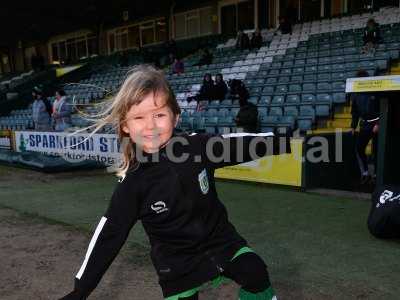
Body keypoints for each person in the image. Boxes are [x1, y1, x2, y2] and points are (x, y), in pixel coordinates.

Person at [59, 65, 290, 300]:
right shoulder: (133, 185)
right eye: (139, 117)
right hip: (176, 265)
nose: (150, 125)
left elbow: (239, 144)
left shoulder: (199, 147)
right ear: (125, 126)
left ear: (175, 116)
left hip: (222, 243)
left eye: (159, 115)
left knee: (255, 272)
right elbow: (109, 235)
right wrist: (81, 290)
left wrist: (285, 140)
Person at [350, 70, 380, 184]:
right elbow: (355, 112)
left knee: (377, 151)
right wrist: (353, 126)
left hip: (376, 124)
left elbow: (382, 108)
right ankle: (365, 173)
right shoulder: (355, 94)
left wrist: (378, 124)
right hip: (364, 125)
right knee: (359, 148)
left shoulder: (375, 91)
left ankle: (377, 175)